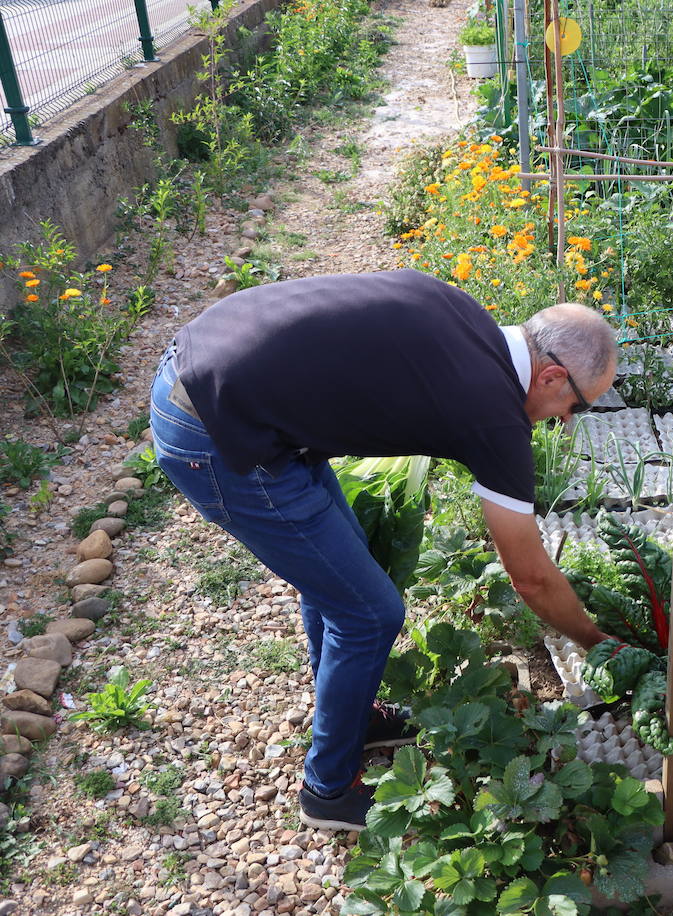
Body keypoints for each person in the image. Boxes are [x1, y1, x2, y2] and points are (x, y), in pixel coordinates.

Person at [148, 269, 615, 831]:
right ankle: (328, 791)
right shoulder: (492, 411)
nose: (565, 423)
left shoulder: (468, 317)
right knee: (370, 611)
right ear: (553, 375)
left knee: (344, 579)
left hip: (219, 374)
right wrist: (595, 641)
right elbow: (531, 578)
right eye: (578, 406)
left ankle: (352, 718)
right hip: (215, 431)